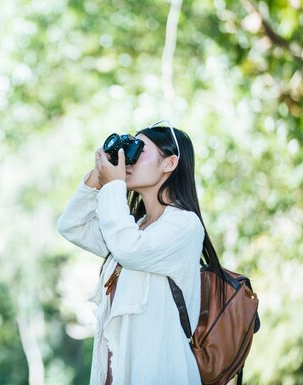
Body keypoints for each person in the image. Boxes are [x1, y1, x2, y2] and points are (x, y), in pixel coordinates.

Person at [57, 120, 223, 385]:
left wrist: (114, 186)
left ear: (169, 163)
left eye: (139, 150)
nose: (129, 160)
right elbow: (71, 225)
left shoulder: (184, 225)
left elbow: (129, 250)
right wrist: (97, 178)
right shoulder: (132, 226)